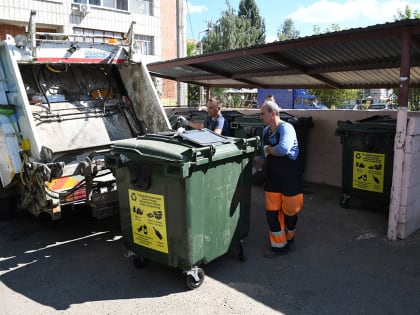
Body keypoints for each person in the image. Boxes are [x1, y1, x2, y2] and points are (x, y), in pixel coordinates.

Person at [254, 100, 303, 258]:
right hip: (273, 178)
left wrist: (267, 149)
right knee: (272, 212)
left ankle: (290, 238)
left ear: (273, 113)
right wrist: (256, 167)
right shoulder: (266, 131)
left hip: (290, 177)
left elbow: (283, 149)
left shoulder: (286, 128)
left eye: (263, 113)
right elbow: (263, 156)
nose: (260, 116)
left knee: (290, 212)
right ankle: (278, 245)